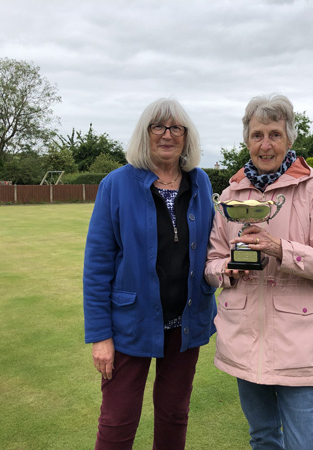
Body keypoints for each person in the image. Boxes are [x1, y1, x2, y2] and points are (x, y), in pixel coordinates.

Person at [205, 94, 313, 449]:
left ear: (289, 140)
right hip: (245, 340)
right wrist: (229, 268)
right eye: (257, 135)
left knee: (304, 442)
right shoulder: (229, 194)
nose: (265, 144)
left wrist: (279, 249)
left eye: (274, 134)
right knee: (263, 437)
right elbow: (210, 265)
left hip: (298, 342)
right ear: (247, 139)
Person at [83, 98, 217, 450]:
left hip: (185, 323)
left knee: (175, 415)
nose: (167, 135)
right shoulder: (116, 184)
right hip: (131, 324)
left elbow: (215, 244)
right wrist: (100, 335)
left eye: (176, 128)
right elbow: (97, 265)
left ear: (187, 136)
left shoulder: (200, 182)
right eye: (158, 127)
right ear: (145, 134)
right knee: (117, 421)